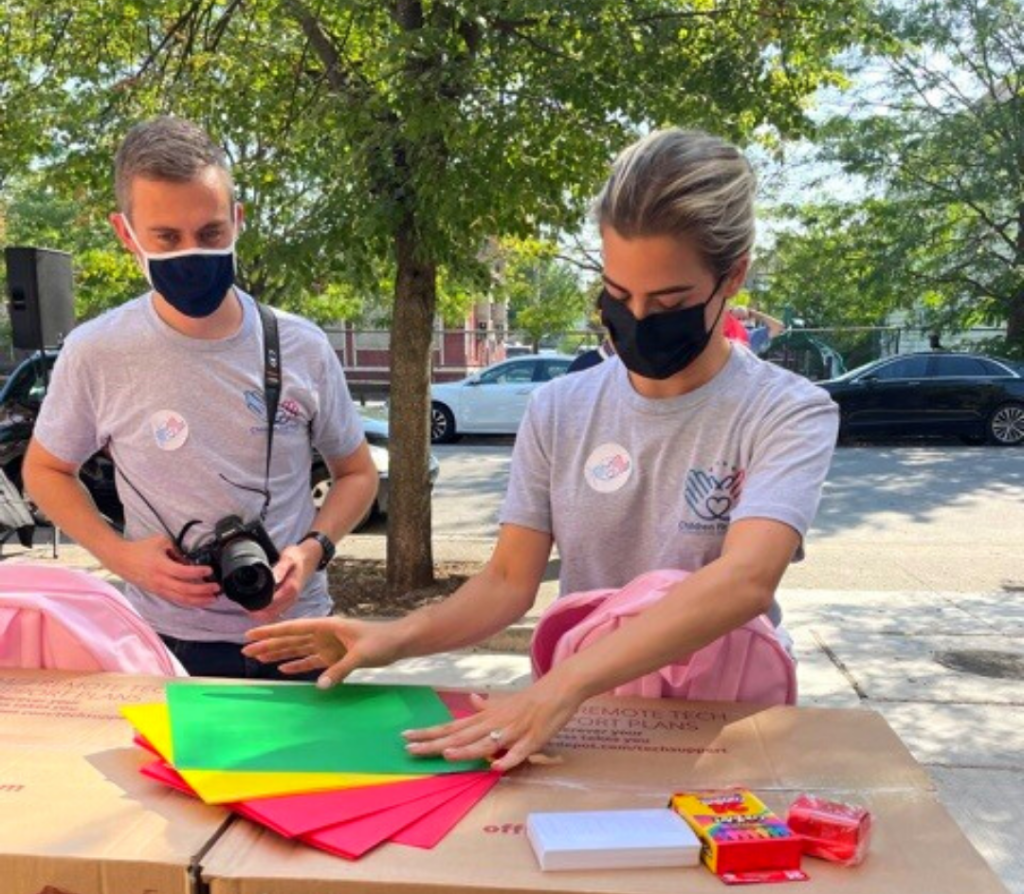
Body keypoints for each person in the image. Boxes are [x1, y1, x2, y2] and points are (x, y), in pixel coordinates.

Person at [244, 127, 839, 765]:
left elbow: (743, 580)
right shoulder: (561, 407)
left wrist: (561, 686)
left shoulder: (787, 410)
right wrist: (391, 639)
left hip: (724, 722)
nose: (637, 318)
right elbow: (507, 580)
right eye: (618, 295)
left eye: (668, 301)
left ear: (733, 277)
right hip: (582, 720)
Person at [24, 116, 378, 679]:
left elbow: (358, 474)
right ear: (126, 234)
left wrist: (314, 550)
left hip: (297, 635)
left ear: (237, 222)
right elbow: (45, 470)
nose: (192, 252)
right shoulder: (96, 351)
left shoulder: (302, 345)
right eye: (166, 237)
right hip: (161, 643)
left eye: (211, 233)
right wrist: (121, 557)